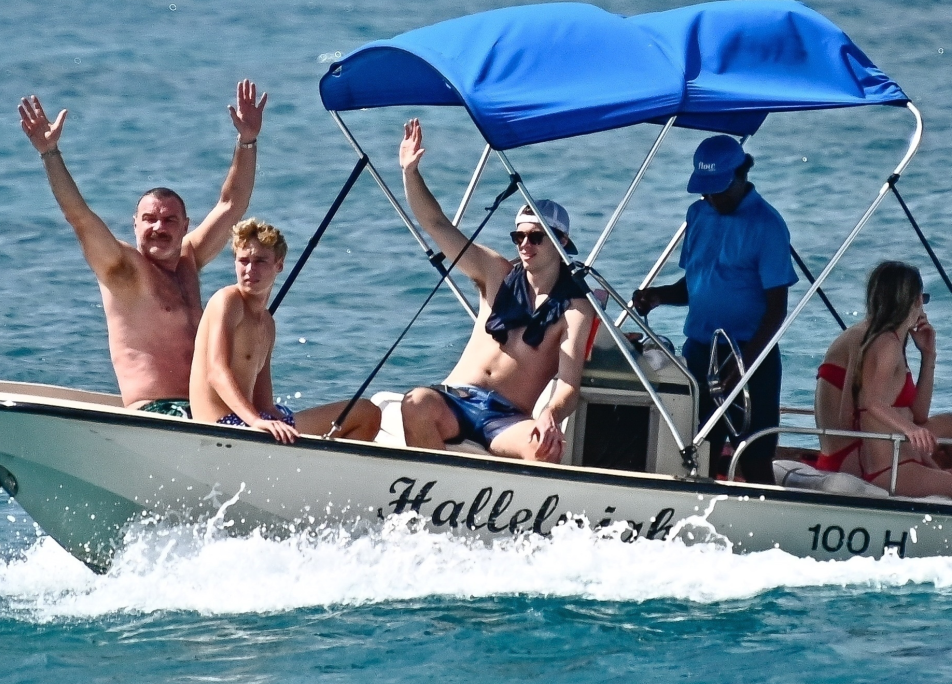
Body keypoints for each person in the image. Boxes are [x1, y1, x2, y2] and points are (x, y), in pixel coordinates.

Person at [18, 80, 268, 413]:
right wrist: (50, 153)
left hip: (205, 411)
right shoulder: (123, 269)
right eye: (149, 219)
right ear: (135, 224)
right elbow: (80, 217)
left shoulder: (189, 260)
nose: (158, 228)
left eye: (169, 220)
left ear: (185, 226)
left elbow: (231, 204)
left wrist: (247, 140)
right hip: (158, 411)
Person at [397, 119, 595, 463]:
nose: (525, 245)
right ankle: (432, 487)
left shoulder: (575, 309)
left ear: (562, 241)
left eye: (536, 237)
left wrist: (550, 414)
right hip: (456, 399)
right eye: (519, 237)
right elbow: (436, 224)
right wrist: (410, 173)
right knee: (416, 403)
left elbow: (568, 385)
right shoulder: (496, 273)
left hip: (506, 418)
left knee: (542, 447)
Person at [632, 134, 798, 484]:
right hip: (700, 353)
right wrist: (659, 296)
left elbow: (776, 310)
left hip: (750, 356)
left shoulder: (767, 225)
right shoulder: (697, 214)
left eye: (719, 189)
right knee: (695, 453)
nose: (712, 198)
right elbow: (696, 283)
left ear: (742, 175)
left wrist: (744, 366)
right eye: (706, 190)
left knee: (754, 457)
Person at [189, 218, 381, 442]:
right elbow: (216, 371)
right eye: (243, 260)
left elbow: (264, 404)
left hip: (251, 419)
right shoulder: (228, 301)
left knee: (366, 414)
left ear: (279, 265)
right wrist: (256, 421)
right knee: (363, 413)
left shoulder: (267, 324)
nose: (249, 269)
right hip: (222, 425)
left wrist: (276, 420)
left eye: (260, 261)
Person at [818, 261, 952, 496]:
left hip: (888, 456)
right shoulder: (882, 343)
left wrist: (928, 356)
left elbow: (918, 414)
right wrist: (911, 430)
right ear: (917, 300)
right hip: (870, 459)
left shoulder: (886, 340)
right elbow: (869, 403)